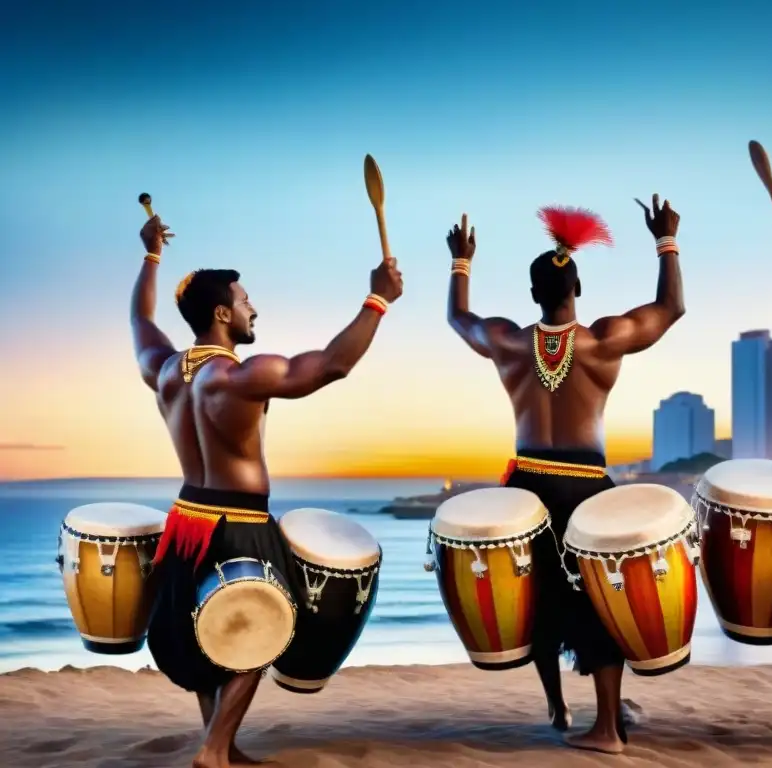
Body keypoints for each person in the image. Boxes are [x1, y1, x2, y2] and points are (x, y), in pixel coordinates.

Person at [130, 212, 403, 768]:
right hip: (240, 525)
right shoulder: (239, 376)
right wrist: (378, 301)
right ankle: (212, 752)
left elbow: (139, 318)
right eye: (247, 300)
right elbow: (332, 365)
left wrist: (151, 255)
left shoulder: (163, 369)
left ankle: (221, 741)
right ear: (223, 313)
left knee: (203, 626)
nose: (255, 309)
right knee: (259, 631)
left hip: (187, 517)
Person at [446, 197, 685, 754]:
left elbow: (460, 319)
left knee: (539, 599)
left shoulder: (508, 342)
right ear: (577, 289)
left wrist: (462, 263)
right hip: (586, 490)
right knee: (598, 599)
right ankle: (605, 724)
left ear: (533, 294)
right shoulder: (604, 340)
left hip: (526, 488)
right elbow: (670, 307)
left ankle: (557, 705)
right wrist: (665, 239)